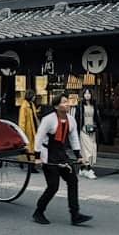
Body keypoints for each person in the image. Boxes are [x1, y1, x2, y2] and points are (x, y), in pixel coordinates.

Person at [32, 93, 92, 226]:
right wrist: (37, 157)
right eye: (64, 102)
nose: (67, 104)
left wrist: (79, 156)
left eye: (68, 102)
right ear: (56, 106)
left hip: (61, 153)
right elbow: (39, 137)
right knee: (53, 186)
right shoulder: (48, 119)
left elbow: (74, 138)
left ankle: (75, 214)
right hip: (48, 153)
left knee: (73, 180)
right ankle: (38, 211)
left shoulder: (71, 120)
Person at [75, 88, 101, 180]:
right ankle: (89, 169)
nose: (87, 95)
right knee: (87, 150)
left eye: (89, 93)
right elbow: (77, 118)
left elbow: (97, 117)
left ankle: (82, 169)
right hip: (83, 130)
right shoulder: (80, 105)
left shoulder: (94, 105)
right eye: (85, 93)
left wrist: (97, 126)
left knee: (92, 148)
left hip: (92, 130)